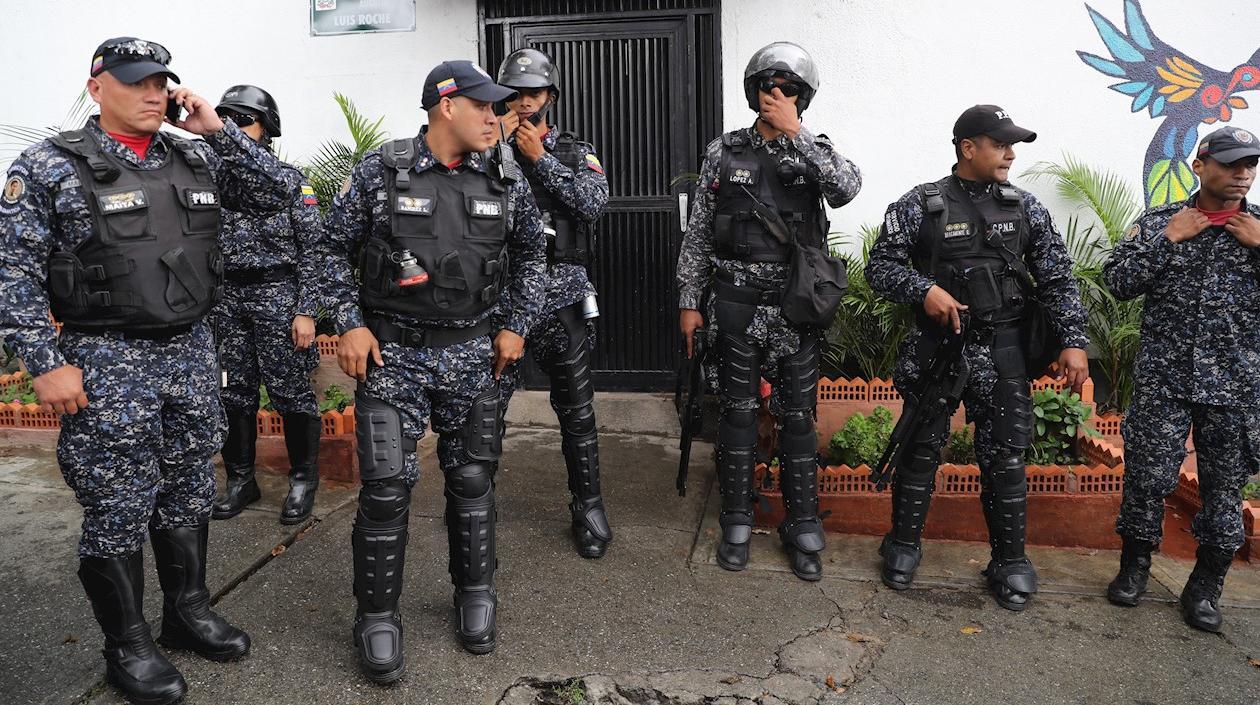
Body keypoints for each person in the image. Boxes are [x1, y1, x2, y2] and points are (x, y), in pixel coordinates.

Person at [0, 37, 295, 704]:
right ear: (97, 86)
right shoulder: (49, 166)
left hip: (191, 352)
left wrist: (219, 131)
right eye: (137, 82)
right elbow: (12, 272)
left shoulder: (194, 155)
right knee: (117, 501)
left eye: (162, 81)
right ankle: (128, 643)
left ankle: (186, 610)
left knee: (190, 487)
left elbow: (278, 191)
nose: (154, 93)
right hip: (106, 358)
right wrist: (44, 363)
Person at [322, 60, 545, 682]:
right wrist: (349, 321)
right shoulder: (381, 172)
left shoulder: (504, 176)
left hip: (475, 356)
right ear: (447, 107)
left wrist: (517, 324)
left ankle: (475, 596)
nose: (500, 119)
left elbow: (533, 251)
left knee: (472, 480)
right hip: (393, 357)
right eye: (487, 107)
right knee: (387, 489)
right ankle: (377, 617)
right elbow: (325, 247)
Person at [864, 104, 1090, 610]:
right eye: (1000, 143)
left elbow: (1056, 278)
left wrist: (1073, 341)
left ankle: (1010, 561)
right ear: (969, 148)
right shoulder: (920, 205)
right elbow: (880, 266)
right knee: (920, 448)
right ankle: (902, 545)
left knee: (1005, 458)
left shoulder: (1025, 207)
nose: (1010, 154)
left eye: (1013, 145)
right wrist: (923, 289)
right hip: (939, 352)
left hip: (1006, 351)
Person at [675, 41, 861, 581]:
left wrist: (796, 133)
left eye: (789, 90)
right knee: (735, 413)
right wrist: (690, 302)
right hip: (734, 301)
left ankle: (801, 521)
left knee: (798, 417)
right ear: (752, 92)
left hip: (795, 308)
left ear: (804, 97)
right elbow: (699, 234)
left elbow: (848, 188)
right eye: (768, 88)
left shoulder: (814, 150)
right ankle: (736, 516)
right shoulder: (724, 151)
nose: (777, 96)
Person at [1102, 126, 1260, 632]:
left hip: (1234, 388)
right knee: (1147, 479)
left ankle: (1206, 588)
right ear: (1200, 164)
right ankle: (1134, 569)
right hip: (1164, 380)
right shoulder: (1159, 223)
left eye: (1250, 165)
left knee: (1223, 489)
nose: (1242, 175)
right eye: (1232, 163)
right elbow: (1116, 283)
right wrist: (1168, 240)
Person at [495, 47, 613, 558]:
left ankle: (587, 506)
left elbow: (593, 203)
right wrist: (501, 147)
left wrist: (540, 160)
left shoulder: (574, 150)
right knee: (486, 411)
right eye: (515, 95)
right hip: (499, 301)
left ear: (551, 98)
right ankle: (476, 505)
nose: (523, 104)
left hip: (561, 294)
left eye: (533, 94)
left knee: (577, 411)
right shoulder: (485, 146)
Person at [209, 85, 325, 525]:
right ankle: (241, 480)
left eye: (243, 120)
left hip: (279, 297)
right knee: (232, 392)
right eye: (226, 120)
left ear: (267, 128)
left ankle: (302, 480)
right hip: (228, 300)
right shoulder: (212, 182)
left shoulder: (290, 182)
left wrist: (307, 311)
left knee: (291, 393)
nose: (233, 129)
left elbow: (315, 249)